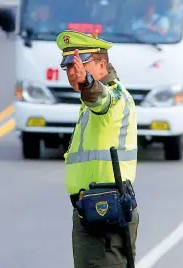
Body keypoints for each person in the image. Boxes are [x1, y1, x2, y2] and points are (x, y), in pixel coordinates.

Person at [56, 30, 138, 268]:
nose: (73, 72)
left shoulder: (115, 96)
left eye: (81, 65)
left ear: (102, 65)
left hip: (106, 210)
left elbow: (101, 99)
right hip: (90, 210)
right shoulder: (87, 103)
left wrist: (87, 84)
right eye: (69, 67)